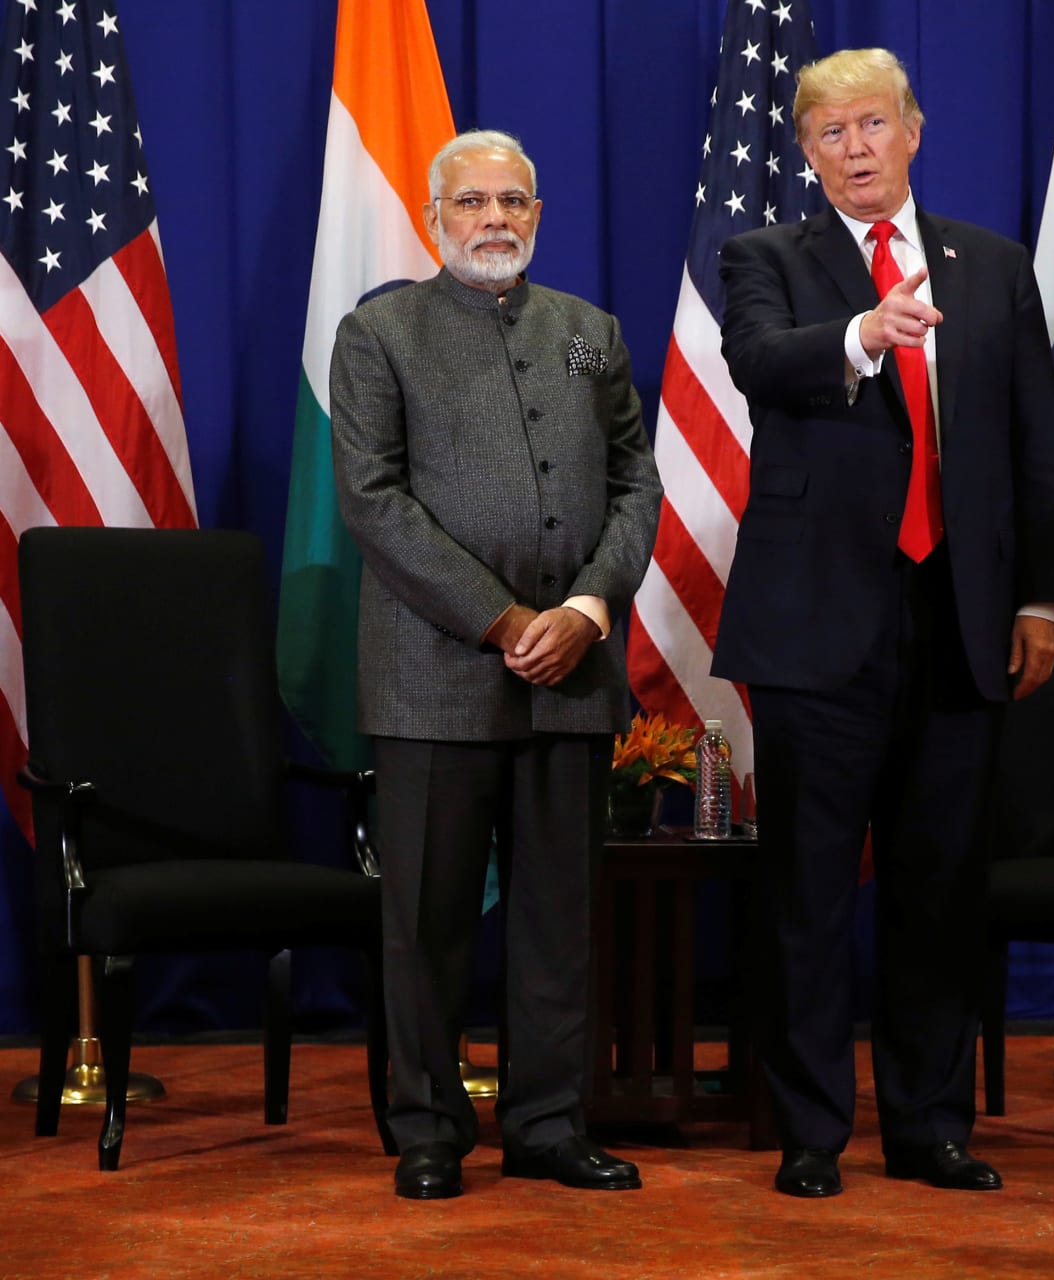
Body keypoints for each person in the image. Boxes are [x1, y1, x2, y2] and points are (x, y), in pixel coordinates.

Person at [712, 47, 1054, 1200]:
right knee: (810, 889)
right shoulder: (766, 255)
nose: (854, 147)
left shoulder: (993, 265)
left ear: (913, 130)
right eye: (829, 133)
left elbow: (1034, 445)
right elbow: (761, 363)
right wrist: (865, 334)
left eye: (872, 124)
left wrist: (1039, 595)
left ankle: (929, 1123)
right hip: (821, 624)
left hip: (961, 619)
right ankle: (813, 1127)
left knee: (941, 887)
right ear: (805, 152)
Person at [331, 129, 663, 1200]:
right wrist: (500, 616)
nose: (495, 220)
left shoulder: (585, 335)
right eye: (471, 202)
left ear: (537, 211)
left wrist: (587, 604)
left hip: (574, 667)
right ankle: (428, 1125)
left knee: (559, 916)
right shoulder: (382, 330)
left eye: (513, 201)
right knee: (426, 919)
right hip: (432, 675)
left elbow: (634, 481)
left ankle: (548, 1122)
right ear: (436, 219)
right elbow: (373, 500)